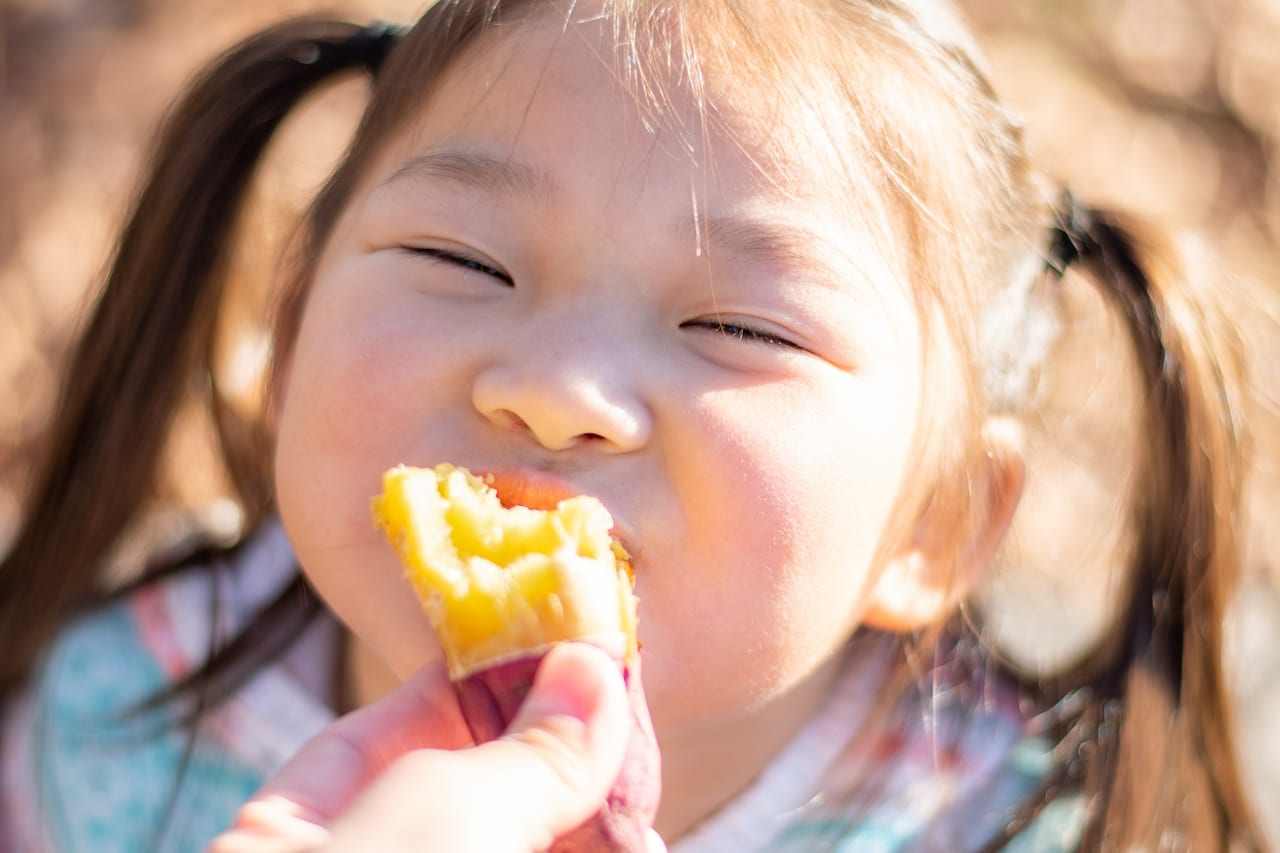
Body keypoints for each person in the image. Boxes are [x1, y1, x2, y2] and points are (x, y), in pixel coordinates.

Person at [0, 1, 1266, 850]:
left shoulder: (992, 824)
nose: (554, 391)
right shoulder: (118, 732)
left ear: (927, 524)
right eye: (460, 257)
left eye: (740, 327)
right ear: (290, 331)